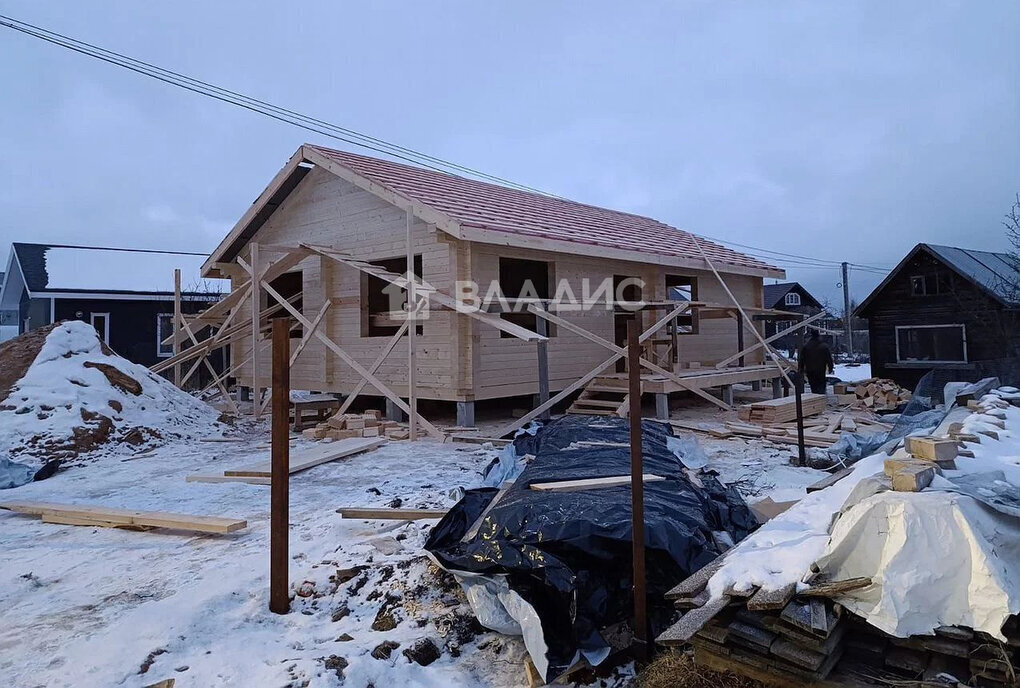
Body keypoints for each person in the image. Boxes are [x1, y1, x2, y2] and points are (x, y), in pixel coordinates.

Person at [798, 329, 834, 394]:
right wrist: (830, 367)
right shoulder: (824, 346)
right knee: (821, 386)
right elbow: (829, 359)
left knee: (813, 386)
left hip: (810, 370)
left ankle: (815, 397)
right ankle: (821, 398)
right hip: (820, 370)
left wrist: (801, 368)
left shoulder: (806, 347)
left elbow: (802, 359)